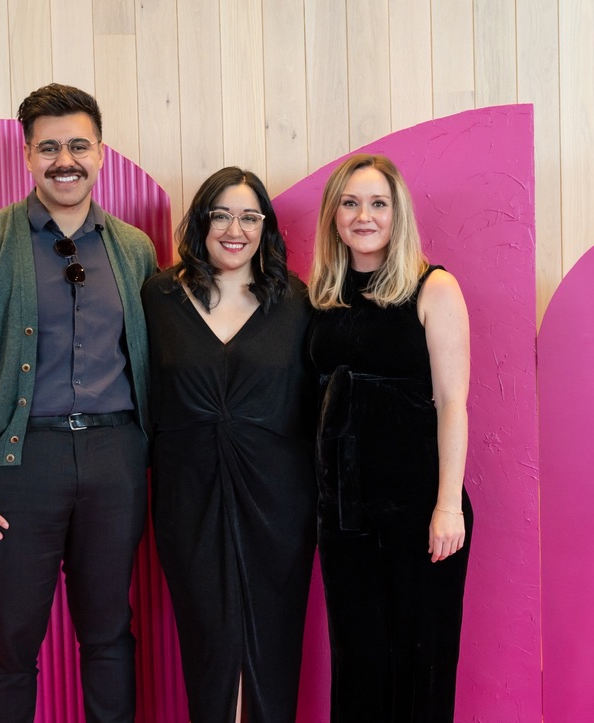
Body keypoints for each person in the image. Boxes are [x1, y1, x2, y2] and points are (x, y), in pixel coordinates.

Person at [0, 83, 157, 723]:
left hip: (115, 461)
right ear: (27, 157)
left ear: (101, 153)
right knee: (10, 644)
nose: (64, 160)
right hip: (18, 467)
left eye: (78, 145)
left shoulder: (134, 250)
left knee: (109, 634)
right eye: (48, 147)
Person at [141, 167, 317, 722]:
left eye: (249, 216)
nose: (234, 229)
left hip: (279, 505)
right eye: (221, 214)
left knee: (272, 642)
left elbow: (315, 403)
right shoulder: (159, 296)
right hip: (187, 500)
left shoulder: (295, 300)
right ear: (201, 222)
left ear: (264, 227)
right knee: (211, 644)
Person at [307, 153, 475, 722]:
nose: (364, 216)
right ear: (334, 215)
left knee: (418, 664)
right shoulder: (323, 296)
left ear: (397, 213)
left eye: (378, 203)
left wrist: (447, 506)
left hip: (420, 510)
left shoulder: (433, 287)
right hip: (344, 517)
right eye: (350, 203)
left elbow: (454, 403)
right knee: (357, 666)